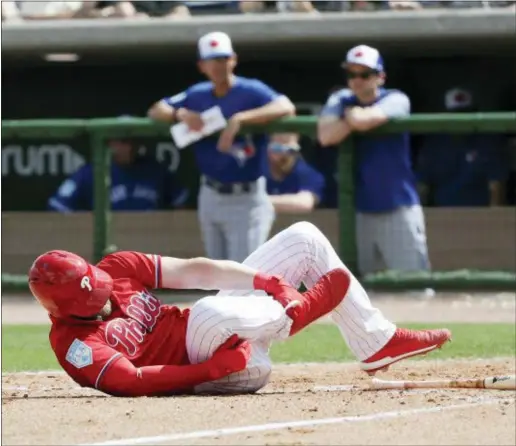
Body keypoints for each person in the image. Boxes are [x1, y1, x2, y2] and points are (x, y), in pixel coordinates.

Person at [28, 221, 451, 397]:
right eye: (95, 295)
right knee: (211, 312)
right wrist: (212, 370)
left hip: (226, 328)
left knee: (303, 237)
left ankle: (374, 340)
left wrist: (267, 281)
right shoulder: (72, 344)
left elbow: (194, 270)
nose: (105, 291)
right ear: (71, 307)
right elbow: (133, 380)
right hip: (220, 367)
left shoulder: (114, 268)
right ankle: (291, 316)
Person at [148, 31, 295, 262]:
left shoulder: (250, 90)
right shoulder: (197, 94)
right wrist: (181, 113)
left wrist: (241, 118)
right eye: (212, 60)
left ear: (233, 60)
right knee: (217, 272)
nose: (218, 66)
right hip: (210, 193)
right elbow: (156, 110)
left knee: (244, 273)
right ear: (201, 65)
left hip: (246, 195)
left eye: (223, 59)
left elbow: (285, 106)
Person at [317, 44, 430, 276]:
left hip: (397, 205)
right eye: (352, 74)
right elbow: (325, 136)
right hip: (357, 209)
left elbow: (365, 120)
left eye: (365, 74)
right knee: (356, 288)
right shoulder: (341, 99)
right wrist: (353, 118)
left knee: (414, 283)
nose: (357, 80)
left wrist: (350, 117)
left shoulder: (396, 99)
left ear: (380, 77)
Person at [417, 88, 509, 207]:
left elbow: (496, 188)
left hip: (480, 214)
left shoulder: (488, 142)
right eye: (455, 115)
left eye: (465, 114)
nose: (460, 121)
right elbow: (422, 186)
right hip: (442, 214)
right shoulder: (435, 144)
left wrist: (494, 221)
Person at [48, 137, 188, 212]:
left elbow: (181, 202)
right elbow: (58, 205)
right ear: (110, 144)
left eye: (132, 141)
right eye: (122, 142)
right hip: (110, 245)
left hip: (150, 241)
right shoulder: (91, 172)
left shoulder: (155, 169)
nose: (128, 148)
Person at [266, 133, 326, 214]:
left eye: (290, 149)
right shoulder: (258, 170)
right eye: (277, 148)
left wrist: (260, 201)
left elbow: (304, 203)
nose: (284, 153)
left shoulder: (308, 173)